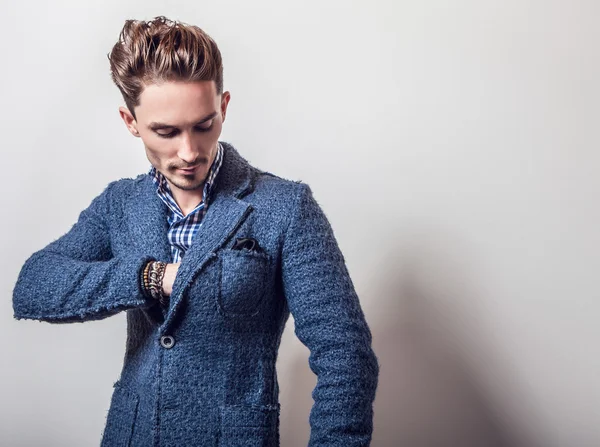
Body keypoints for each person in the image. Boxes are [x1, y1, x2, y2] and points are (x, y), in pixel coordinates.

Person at [12, 15, 379, 446]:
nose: (189, 152)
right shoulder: (119, 204)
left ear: (223, 107)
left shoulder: (285, 207)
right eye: (165, 132)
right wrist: (152, 277)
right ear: (130, 122)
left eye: (204, 125)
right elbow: (32, 287)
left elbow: (346, 357)